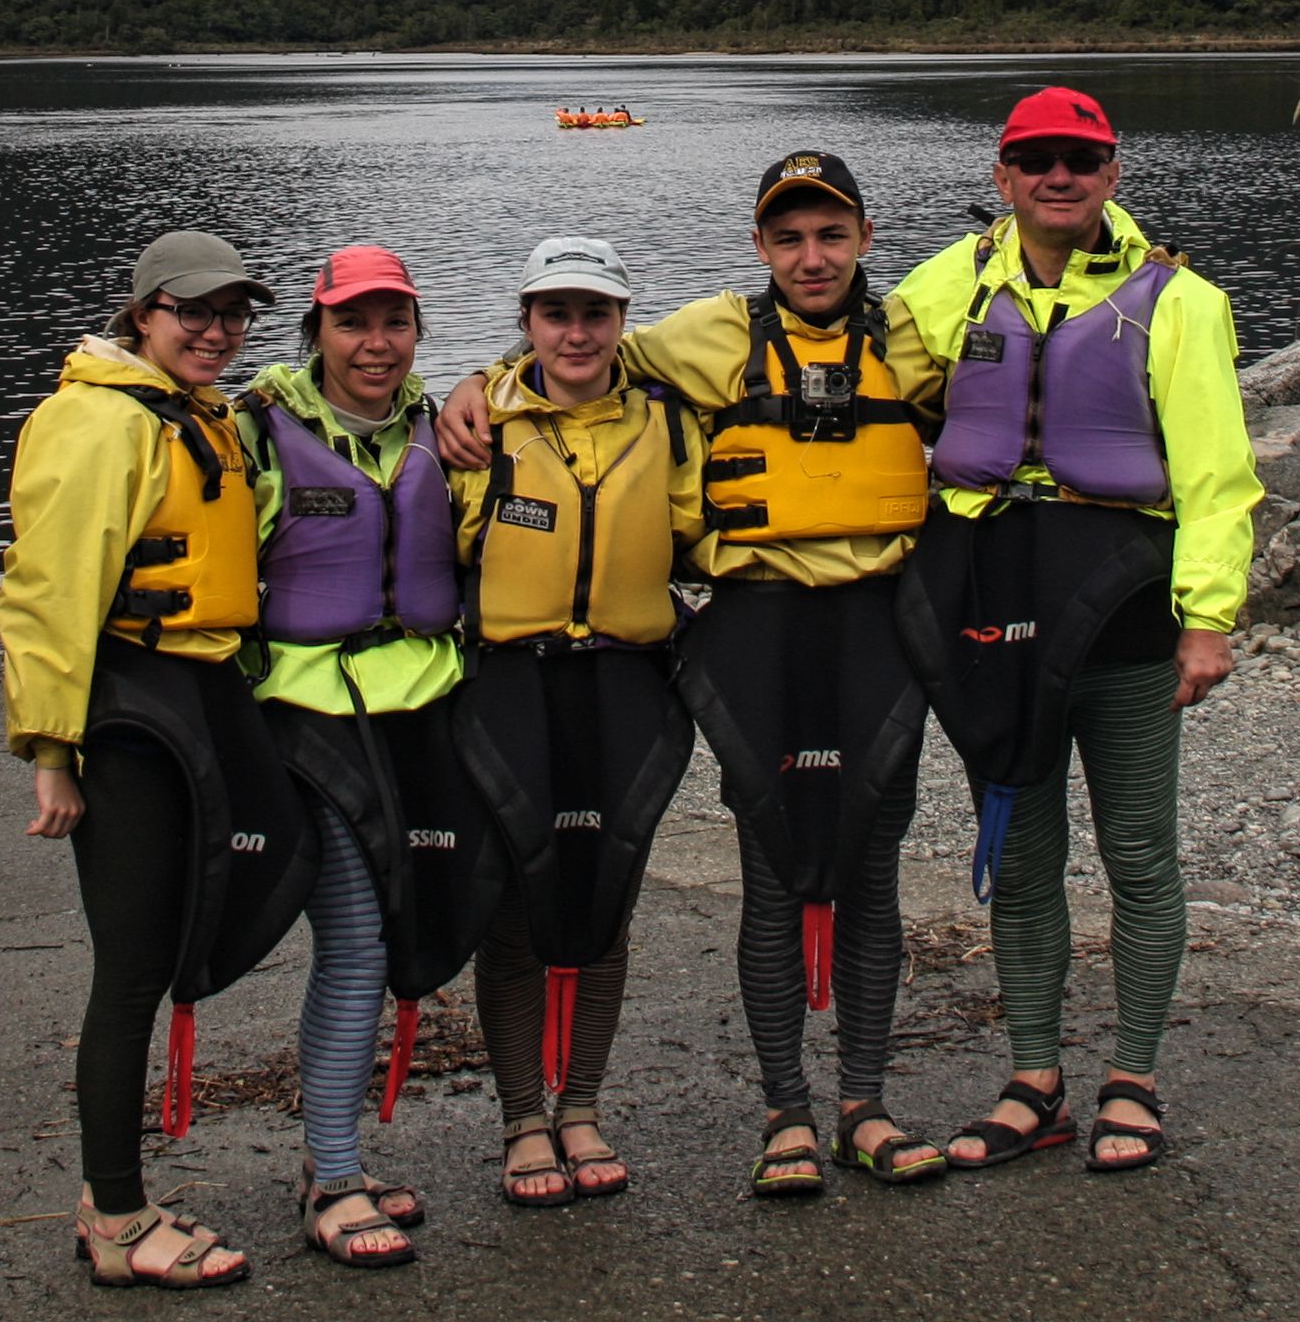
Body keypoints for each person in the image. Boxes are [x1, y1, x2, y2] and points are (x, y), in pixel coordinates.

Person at [455, 154, 951, 1195]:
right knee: (773, 870)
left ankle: (865, 1101)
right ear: (760, 246)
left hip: (876, 629)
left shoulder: (919, 333)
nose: (810, 257)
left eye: (830, 234)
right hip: (757, 629)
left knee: (871, 867)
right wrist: (473, 384)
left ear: (864, 237)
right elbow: (579, 355)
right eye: (789, 237)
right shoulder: (707, 335)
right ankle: (786, 1114)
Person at [888, 88, 1255, 1176]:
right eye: (1036, 159)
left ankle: (1133, 1077)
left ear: (1112, 173)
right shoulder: (946, 288)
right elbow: (841, 367)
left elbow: (1217, 477)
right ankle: (1035, 1078)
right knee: (1026, 850)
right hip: (997, 600)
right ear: (1003, 176)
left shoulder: (1181, 302)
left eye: (1080, 160)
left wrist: (1210, 621)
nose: (1060, 177)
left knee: (1139, 850)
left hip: (1127, 606)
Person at [0, 230, 311, 1290]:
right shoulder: (93, 422)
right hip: (130, 714)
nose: (216, 331)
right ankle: (119, 1221)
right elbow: (47, 592)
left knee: (197, 925)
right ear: (143, 314)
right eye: (193, 312)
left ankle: (118, 1204)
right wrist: (51, 752)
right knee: (130, 970)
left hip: (200, 693)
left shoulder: (204, 414)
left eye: (233, 314)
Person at [241, 246, 496, 1270]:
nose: (375, 344)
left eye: (394, 323)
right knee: (351, 938)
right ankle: (335, 1177)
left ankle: (332, 1158)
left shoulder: (445, 428)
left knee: (400, 938)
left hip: (423, 714)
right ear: (318, 332)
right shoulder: (258, 433)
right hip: (308, 721)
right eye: (353, 324)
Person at [445, 238, 700, 1210]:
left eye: (596, 313)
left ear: (623, 323)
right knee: (515, 904)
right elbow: (437, 549)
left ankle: (582, 1107)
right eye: (557, 313)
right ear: (527, 323)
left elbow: (704, 533)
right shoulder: (481, 428)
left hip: (626, 683)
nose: (578, 332)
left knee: (606, 897)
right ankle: (522, 1119)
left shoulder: (665, 423)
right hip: (513, 684)